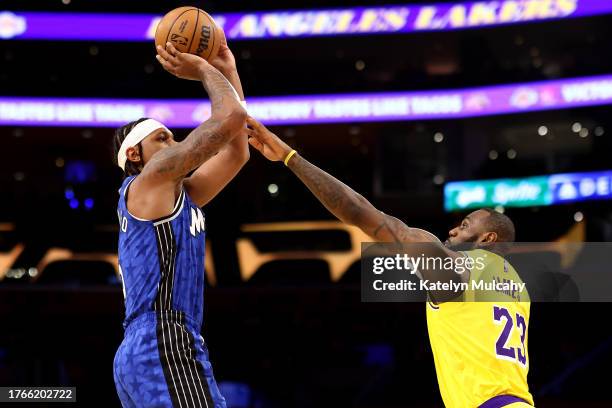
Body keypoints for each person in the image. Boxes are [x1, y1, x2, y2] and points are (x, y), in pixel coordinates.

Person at [246, 117, 534, 408]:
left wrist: (289, 156)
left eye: (465, 225)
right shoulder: (518, 288)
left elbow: (360, 212)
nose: (453, 230)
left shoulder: (459, 268)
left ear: (487, 239)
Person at [112, 33, 247, 408]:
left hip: (150, 344)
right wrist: (203, 69)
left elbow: (238, 151)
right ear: (135, 154)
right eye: (163, 138)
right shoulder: (149, 181)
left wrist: (228, 72)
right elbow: (230, 117)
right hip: (162, 338)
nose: (175, 143)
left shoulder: (177, 195)